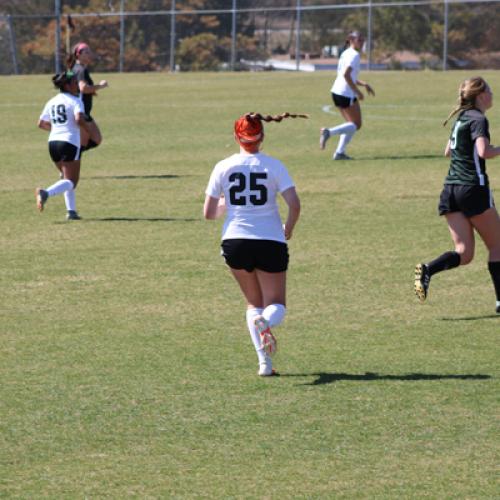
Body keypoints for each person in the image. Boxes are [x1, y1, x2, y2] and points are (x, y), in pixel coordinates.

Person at [204, 112, 304, 376]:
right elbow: (294, 205)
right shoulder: (273, 165)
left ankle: (265, 364)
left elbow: (209, 213)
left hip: (234, 242)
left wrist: (229, 204)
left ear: (237, 137)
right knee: (276, 305)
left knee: (253, 303)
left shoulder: (222, 166)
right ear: (262, 137)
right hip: (270, 240)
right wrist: (288, 229)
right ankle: (266, 322)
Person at [414, 77, 500, 313]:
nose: (493, 94)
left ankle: (428, 270)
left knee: (465, 252)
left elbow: (448, 151)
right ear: (481, 95)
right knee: (497, 245)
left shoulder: (461, 118)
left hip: (451, 190)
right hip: (473, 188)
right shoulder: (478, 119)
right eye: (490, 90)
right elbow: (484, 152)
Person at [36, 71, 90, 220]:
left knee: (65, 178)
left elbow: (41, 123)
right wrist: (88, 130)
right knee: (72, 181)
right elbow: (79, 119)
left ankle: (71, 212)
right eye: (74, 82)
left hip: (53, 143)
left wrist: (57, 129)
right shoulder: (76, 100)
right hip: (69, 142)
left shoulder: (52, 101)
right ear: (67, 85)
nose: (77, 85)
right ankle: (45, 193)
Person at [319, 31, 375, 160]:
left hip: (336, 91)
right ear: (351, 40)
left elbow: (347, 76)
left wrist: (364, 84)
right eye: (359, 40)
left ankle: (339, 153)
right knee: (356, 125)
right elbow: (346, 75)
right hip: (345, 93)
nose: (361, 42)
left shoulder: (345, 53)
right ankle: (328, 132)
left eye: (362, 40)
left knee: (350, 125)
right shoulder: (354, 55)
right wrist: (357, 92)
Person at [66, 42, 108, 152]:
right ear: (78, 55)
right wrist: (100, 86)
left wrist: (92, 90)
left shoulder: (74, 68)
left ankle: (69, 160)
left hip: (80, 111)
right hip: (81, 112)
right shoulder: (80, 70)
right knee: (90, 141)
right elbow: (83, 88)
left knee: (94, 140)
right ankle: (68, 162)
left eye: (90, 51)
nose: (90, 54)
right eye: (86, 52)